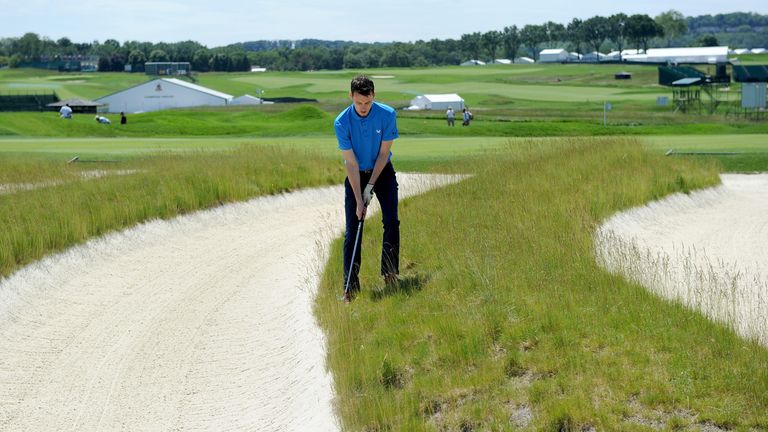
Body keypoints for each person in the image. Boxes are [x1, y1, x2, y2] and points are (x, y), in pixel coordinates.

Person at [334, 75, 400, 302]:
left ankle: (390, 272)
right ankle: (350, 287)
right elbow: (350, 163)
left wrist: (371, 185)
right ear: (351, 96)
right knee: (353, 228)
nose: (363, 107)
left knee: (391, 220)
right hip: (355, 176)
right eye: (359, 102)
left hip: (382, 172)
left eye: (367, 102)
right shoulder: (341, 122)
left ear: (374, 96)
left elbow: (384, 154)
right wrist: (360, 199)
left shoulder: (388, 115)